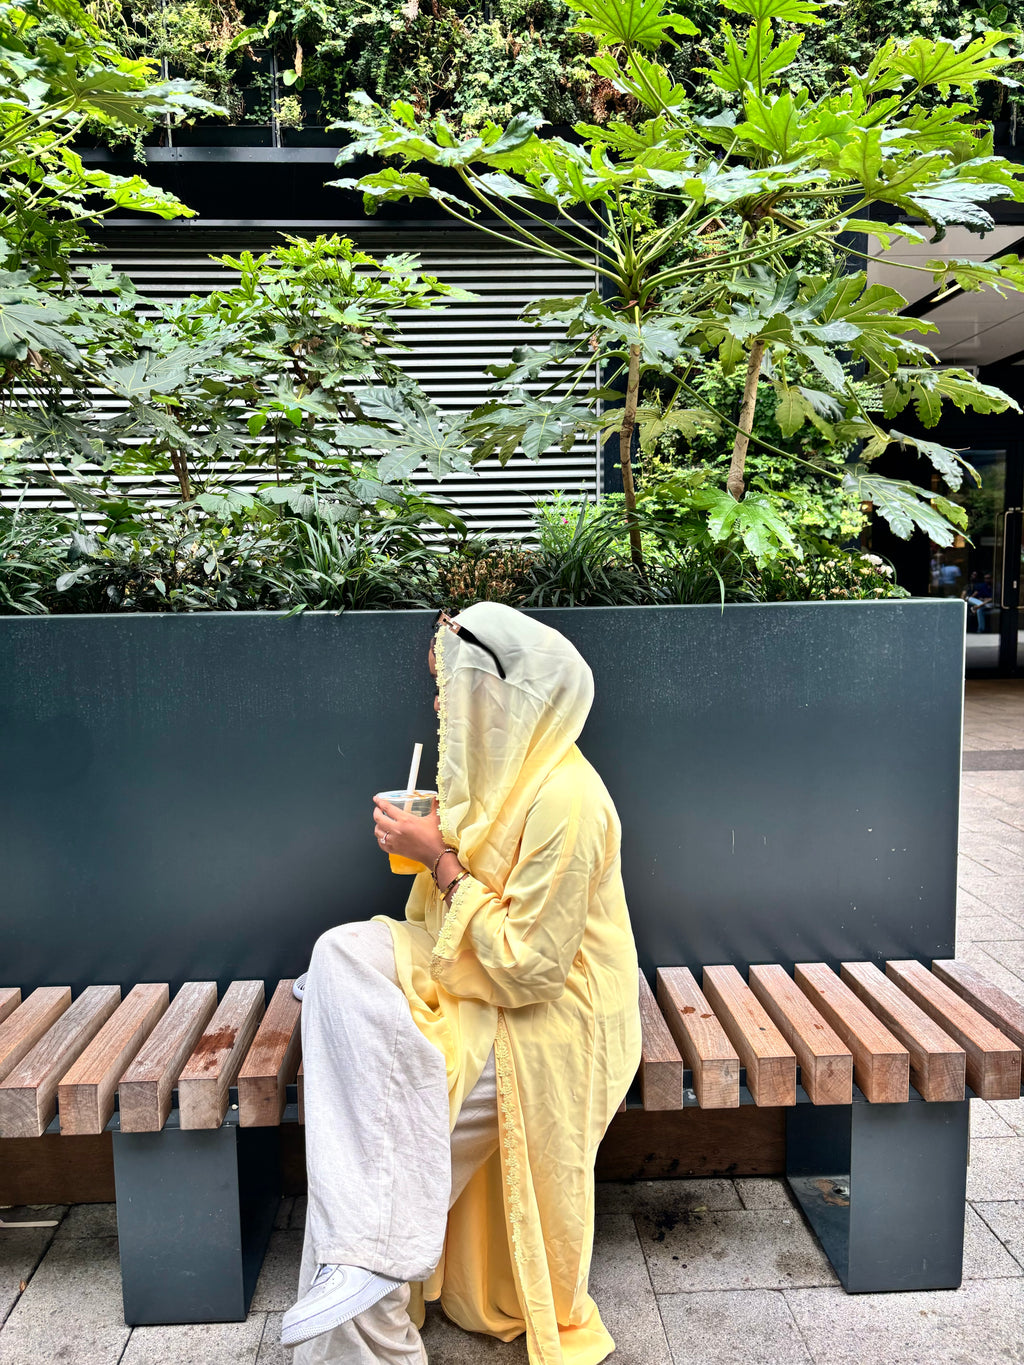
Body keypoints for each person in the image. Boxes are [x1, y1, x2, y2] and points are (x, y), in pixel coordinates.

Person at [282, 602, 643, 1364]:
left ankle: (363, 1329)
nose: (440, 702)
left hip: (554, 1011)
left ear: (500, 697)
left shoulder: (569, 802)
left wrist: (440, 860)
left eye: (451, 685)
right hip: (475, 965)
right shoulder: (496, 771)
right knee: (338, 952)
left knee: (388, 1129)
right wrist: (433, 843)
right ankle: (360, 1251)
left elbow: (531, 968)